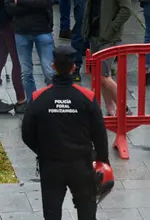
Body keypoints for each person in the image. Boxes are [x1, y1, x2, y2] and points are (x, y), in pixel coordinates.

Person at [21, 45, 109, 220]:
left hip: (51, 165)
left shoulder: (39, 97)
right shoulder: (87, 97)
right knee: (86, 212)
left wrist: (42, 150)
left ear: (53, 66)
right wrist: (102, 161)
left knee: (52, 213)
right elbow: (100, 134)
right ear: (74, 67)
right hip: (81, 165)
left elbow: (26, 133)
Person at [83, 0, 132, 115]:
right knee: (100, 76)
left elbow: (126, 9)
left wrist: (112, 27)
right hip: (95, 34)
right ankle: (110, 110)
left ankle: (124, 107)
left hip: (110, 37)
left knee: (103, 75)